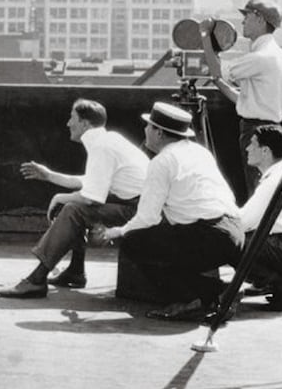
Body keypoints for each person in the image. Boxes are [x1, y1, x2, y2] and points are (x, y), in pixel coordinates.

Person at [99, 101, 244, 322]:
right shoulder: (199, 152)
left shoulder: (162, 162)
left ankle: (197, 296)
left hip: (210, 236)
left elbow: (147, 217)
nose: (145, 130)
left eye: (149, 126)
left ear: (158, 133)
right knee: (172, 242)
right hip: (234, 230)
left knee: (134, 242)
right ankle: (218, 292)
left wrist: (118, 231)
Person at [0, 98, 149, 299]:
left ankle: (36, 280)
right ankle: (75, 272)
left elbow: (90, 198)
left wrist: (59, 197)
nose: (68, 123)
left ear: (85, 124)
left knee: (73, 209)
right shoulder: (108, 140)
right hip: (137, 205)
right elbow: (90, 182)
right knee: (72, 206)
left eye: (72, 118)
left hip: (139, 210)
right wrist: (49, 175)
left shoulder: (101, 147)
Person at [199, 0, 282, 197]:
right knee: (266, 192)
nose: (243, 22)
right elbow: (247, 100)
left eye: (247, 16)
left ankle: (257, 228)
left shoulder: (261, 57)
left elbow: (217, 70)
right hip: (272, 130)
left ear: (259, 19)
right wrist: (219, 83)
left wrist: (205, 34)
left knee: (258, 194)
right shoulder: (279, 56)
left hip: (256, 132)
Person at [239, 123, 282, 312]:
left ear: (265, 151)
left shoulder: (273, 181)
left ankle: (280, 283)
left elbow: (242, 223)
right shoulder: (281, 174)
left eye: (253, 144)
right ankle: (277, 283)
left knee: (232, 240)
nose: (247, 148)